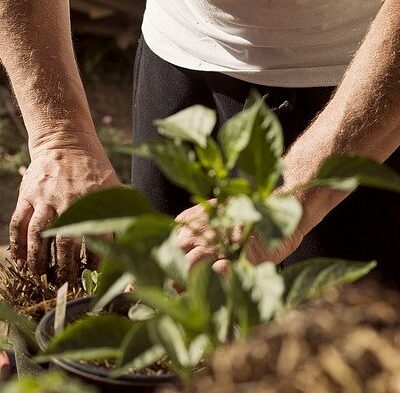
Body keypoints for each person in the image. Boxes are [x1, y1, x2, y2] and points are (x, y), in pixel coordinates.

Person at [1, 1, 399, 283]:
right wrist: (61, 136)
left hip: (365, 96)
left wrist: (285, 198)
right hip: (177, 65)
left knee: (333, 360)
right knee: (165, 325)